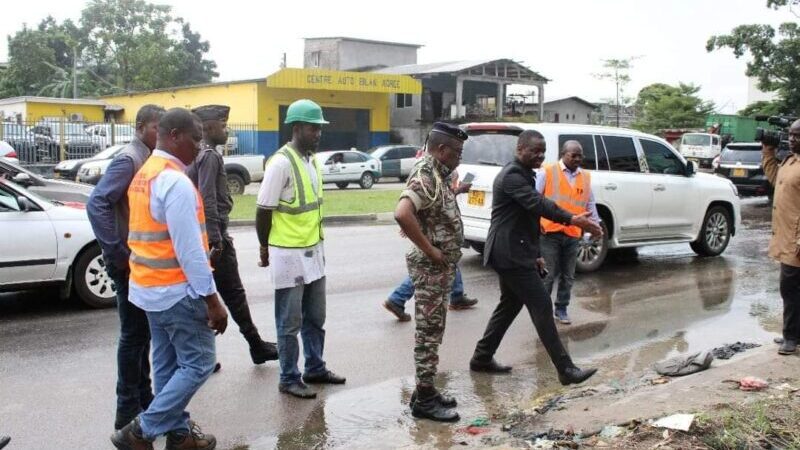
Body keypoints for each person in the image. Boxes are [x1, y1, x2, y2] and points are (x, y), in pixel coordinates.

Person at [111, 108, 227, 450]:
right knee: (200, 363)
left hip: (149, 290)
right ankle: (141, 430)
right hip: (177, 291)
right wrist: (212, 300)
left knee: (166, 364)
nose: (199, 145)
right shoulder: (174, 182)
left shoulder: (146, 173)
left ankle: (178, 434)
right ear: (174, 135)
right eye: (194, 138)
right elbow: (190, 251)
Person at [469, 130, 601, 387]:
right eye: (534, 151)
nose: (540, 156)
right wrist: (572, 218)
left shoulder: (525, 174)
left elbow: (529, 220)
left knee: (509, 306)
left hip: (514, 251)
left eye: (543, 151)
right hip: (508, 253)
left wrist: (536, 254)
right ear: (520, 149)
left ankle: (481, 357)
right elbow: (538, 205)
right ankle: (565, 369)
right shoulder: (512, 176)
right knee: (541, 305)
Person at [255, 99, 345, 399]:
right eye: (312, 128)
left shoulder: (311, 160)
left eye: (319, 128)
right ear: (296, 128)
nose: (318, 134)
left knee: (316, 317)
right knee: (289, 322)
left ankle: (315, 367)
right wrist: (263, 248)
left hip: (313, 251)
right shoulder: (281, 163)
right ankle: (288, 377)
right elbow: (263, 210)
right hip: (288, 254)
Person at [86, 104, 165, 431]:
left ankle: (143, 399)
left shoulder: (145, 157)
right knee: (134, 335)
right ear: (142, 127)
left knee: (142, 335)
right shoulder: (129, 159)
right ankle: (126, 409)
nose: (162, 135)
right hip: (127, 263)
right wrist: (116, 251)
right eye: (157, 128)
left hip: (138, 261)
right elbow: (97, 203)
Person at [186, 104, 278, 366]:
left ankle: (203, 354)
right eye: (223, 125)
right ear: (208, 127)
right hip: (215, 239)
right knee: (233, 294)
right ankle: (255, 345)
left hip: (203, 237)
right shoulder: (210, 156)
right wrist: (216, 241)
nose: (227, 130)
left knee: (204, 297)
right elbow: (208, 199)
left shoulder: (195, 155)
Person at [394, 122, 467, 422]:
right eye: (457, 152)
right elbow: (402, 213)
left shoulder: (437, 173)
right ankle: (424, 399)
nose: (460, 158)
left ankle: (426, 389)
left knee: (433, 331)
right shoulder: (425, 174)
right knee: (428, 333)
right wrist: (431, 249)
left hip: (438, 269)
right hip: (430, 268)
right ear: (441, 149)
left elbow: (428, 209)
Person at [384, 169, 477, 321]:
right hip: (436, 231)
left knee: (448, 262)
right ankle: (397, 299)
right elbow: (437, 200)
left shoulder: (432, 170)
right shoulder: (432, 172)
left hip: (440, 230)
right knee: (427, 269)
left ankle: (457, 295)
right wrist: (460, 189)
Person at [536, 140, 601, 325]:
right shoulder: (547, 172)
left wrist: (594, 227)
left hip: (573, 234)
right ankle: (542, 311)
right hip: (549, 232)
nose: (578, 159)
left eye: (580, 155)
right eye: (574, 155)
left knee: (568, 275)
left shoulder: (585, 177)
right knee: (547, 275)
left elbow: (590, 204)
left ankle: (561, 308)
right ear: (563, 154)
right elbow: (534, 200)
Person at [763, 119, 800, 355]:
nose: (793, 139)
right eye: (791, 135)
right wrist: (768, 149)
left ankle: (791, 338)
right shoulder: (790, 160)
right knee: (792, 287)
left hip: (797, 240)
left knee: (789, 287)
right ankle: (794, 333)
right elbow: (776, 178)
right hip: (787, 236)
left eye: (798, 136)